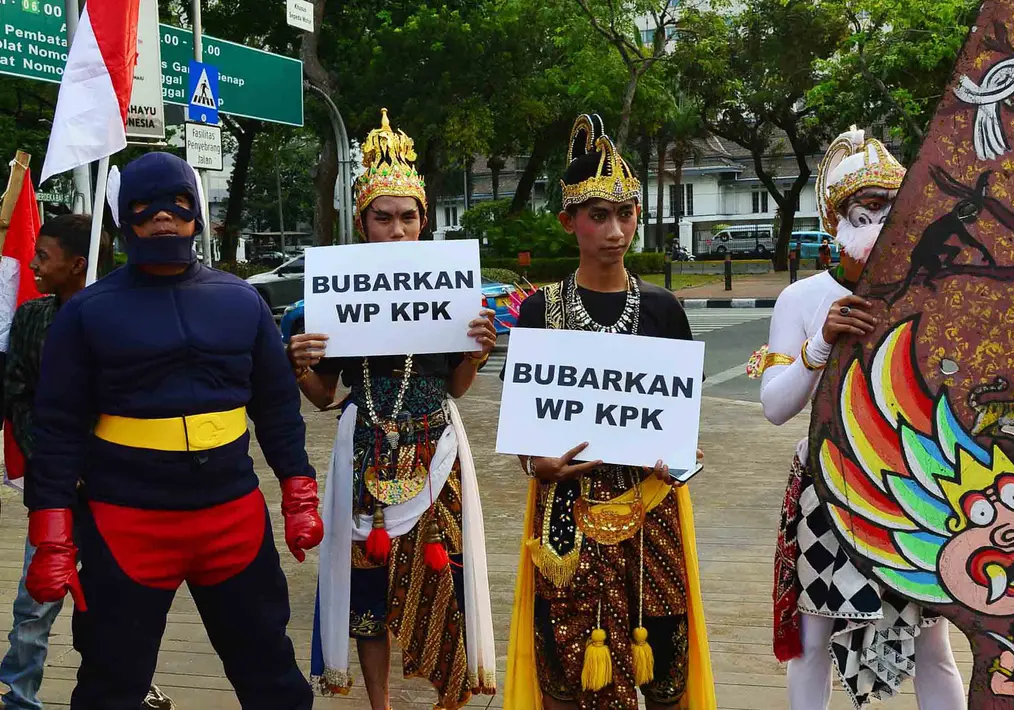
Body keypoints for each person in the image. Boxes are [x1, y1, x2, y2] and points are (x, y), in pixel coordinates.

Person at [22, 152, 322, 710]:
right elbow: (57, 430)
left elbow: (278, 407)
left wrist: (298, 487)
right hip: (127, 523)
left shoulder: (241, 301)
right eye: (145, 205)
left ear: (197, 213)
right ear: (123, 218)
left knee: (272, 676)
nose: (164, 216)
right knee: (112, 684)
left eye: (178, 203)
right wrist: (51, 530)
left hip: (232, 518)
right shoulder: (85, 314)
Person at [503, 114, 717, 710]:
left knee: (665, 660)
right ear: (568, 222)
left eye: (625, 214)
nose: (615, 230)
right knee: (569, 667)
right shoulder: (540, 311)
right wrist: (534, 463)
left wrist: (683, 451)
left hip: (651, 503)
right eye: (598, 215)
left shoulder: (664, 309)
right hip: (566, 509)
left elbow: (681, 414)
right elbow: (527, 425)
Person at [290, 109, 498, 710]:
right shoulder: (336, 290)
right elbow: (326, 396)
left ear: (424, 222)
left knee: (443, 574)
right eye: (383, 218)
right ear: (363, 223)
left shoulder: (450, 290)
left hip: (438, 444)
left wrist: (478, 354)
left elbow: (456, 387)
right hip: (365, 447)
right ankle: (380, 703)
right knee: (367, 590)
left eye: (409, 217)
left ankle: (446, 695)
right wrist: (300, 362)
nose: (397, 229)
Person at [753, 127, 967, 709]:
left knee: (932, 637)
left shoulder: (932, 291)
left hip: (913, 485)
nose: (879, 222)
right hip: (825, 482)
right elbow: (775, 407)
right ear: (836, 221)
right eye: (865, 210)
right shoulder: (801, 300)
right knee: (813, 634)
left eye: (890, 210)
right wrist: (819, 345)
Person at [0, 215, 172, 710]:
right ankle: (19, 695)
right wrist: (54, 459)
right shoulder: (32, 318)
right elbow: (18, 395)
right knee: (34, 602)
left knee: (120, 603)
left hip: (119, 493)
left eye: (43, 258)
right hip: (53, 491)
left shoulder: (123, 317)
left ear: (77, 266)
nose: (33, 265)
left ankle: (123, 690)